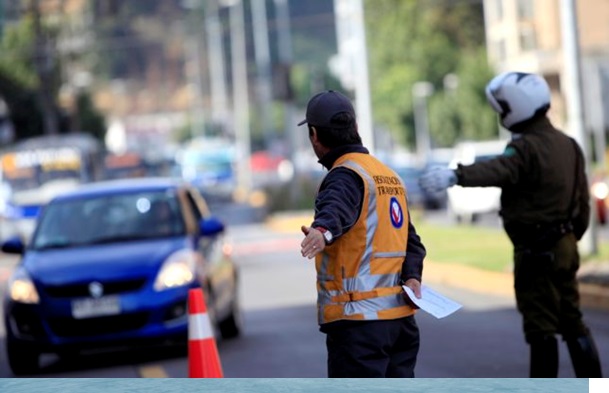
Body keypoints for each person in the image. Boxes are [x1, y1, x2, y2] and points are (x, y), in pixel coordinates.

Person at [419, 71, 603, 378]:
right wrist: (568, 240)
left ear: (515, 107)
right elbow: (582, 206)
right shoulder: (569, 145)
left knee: (540, 328)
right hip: (566, 246)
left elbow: (500, 168)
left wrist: (457, 175)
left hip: (537, 252)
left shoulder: (525, 148)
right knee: (573, 322)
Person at [298, 90, 427, 378]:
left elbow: (337, 208)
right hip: (401, 324)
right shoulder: (387, 176)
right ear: (355, 128)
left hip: (360, 324)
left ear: (314, 135)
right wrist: (412, 275)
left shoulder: (344, 175)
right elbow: (411, 241)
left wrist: (322, 231)